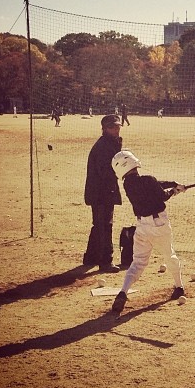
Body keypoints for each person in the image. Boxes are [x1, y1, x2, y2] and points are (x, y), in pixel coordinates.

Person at [110, 150, 186, 315]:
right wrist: (174, 191)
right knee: (169, 255)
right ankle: (179, 287)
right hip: (159, 225)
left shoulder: (127, 184)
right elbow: (162, 196)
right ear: (133, 162)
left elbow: (154, 184)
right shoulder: (148, 180)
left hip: (142, 227)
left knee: (137, 262)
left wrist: (173, 183)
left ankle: (123, 292)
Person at [82, 114, 123, 273]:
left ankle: (91, 257)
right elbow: (105, 172)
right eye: (113, 127)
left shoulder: (110, 143)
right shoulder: (103, 146)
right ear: (104, 129)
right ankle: (106, 261)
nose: (117, 129)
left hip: (103, 190)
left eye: (118, 126)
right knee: (105, 225)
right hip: (100, 192)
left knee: (100, 224)